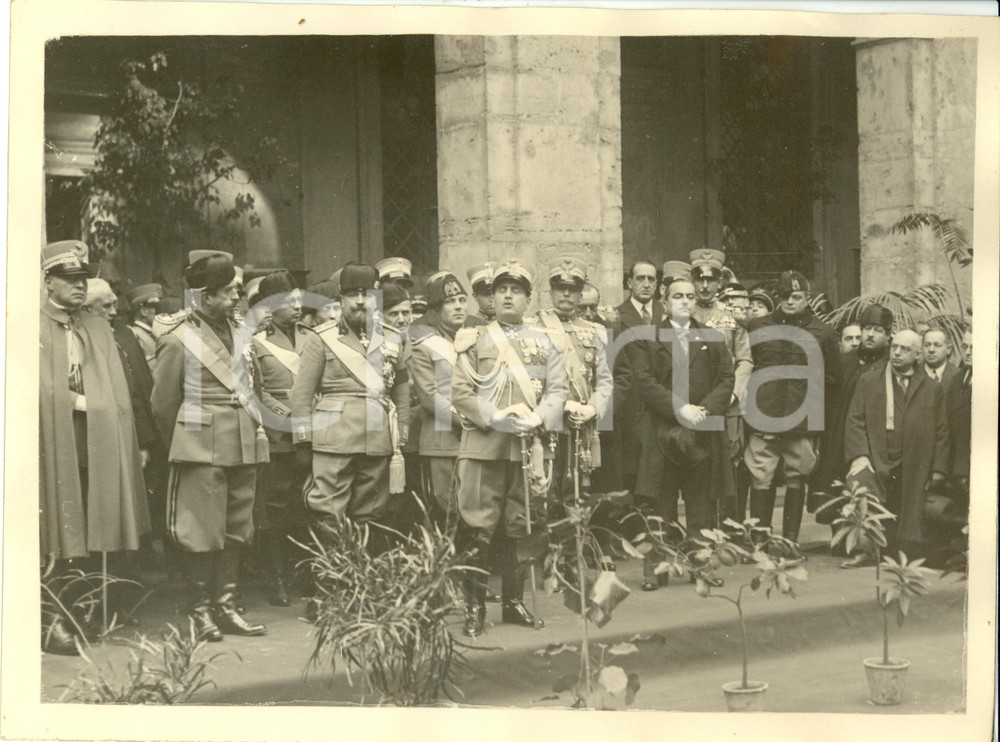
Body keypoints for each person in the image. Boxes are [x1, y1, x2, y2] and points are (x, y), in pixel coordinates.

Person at [151, 249, 269, 641]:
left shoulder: (240, 332)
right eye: (230, 291)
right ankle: (199, 611)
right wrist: (184, 444)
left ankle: (226, 604)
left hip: (241, 439)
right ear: (206, 297)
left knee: (237, 527)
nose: (237, 297)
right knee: (201, 532)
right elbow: (163, 405)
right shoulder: (177, 339)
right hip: (199, 445)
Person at [40, 241, 151, 655]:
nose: (78, 287)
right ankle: (52, 622)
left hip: (96, 439)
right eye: (69, 279)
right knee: (57, 524)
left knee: (91, 522)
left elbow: (118, 389)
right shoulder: (29, 325)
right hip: (53, 439)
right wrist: (77, 402)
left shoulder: (97, 327)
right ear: (48, 280)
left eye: (82, 279)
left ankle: (83, 611)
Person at [452, 260, 564, 637]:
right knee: (477, 528)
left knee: (523, 526)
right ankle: (474, 609)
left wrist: (538, 419)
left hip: (528, 448)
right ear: (492, 296)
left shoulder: (545, 340)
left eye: (515, 290)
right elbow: (460, 392)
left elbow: (557, 390)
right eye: (501, 290)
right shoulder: (473, 339)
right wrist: (497, 418)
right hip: (485, 446)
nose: (507, 296)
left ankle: (514, 603)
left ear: (528, 298)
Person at [290, 263, 410, 537]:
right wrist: (303, 440)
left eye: (366, 294)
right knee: (329, 511)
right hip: (334, 439)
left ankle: (362, 576)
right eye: (352, 294)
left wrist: (401, 434)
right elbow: (301, 393)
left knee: (371, 511)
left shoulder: (392, 338)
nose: (359, 301)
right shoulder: (321, 338)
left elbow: (401, 390)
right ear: (340, 299)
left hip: (378, 437)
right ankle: (332, 578)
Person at [632, 277, 735, 589]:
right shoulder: (648, 338)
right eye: (678, 296)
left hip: (700, 432)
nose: (685, 301)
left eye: (690, 296)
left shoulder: (712, 337)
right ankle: (656, 571)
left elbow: (726, 377)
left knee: (700, 503)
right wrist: (680, 409)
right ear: (665, 302)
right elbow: (644, 380)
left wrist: (702, 410)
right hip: (661, 432)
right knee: (659, 504)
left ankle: (701, 567)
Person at [744, 270, 840, 544]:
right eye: (784, 296)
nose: (790, 301)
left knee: (797, 477)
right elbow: (745, 370)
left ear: (807, 298)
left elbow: (834, 380)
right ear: (777, 297)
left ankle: (790, 542)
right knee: (760, 477)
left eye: (796, 296)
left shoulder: (824, 333)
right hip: (764, 419)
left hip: (803, 422)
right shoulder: (758, 327)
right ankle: (760, 541)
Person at [843, 329, 951, 564]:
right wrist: (859, 455)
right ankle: (867, 550)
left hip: (915, 460)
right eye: (895, 348)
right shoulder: (869, 380)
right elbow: (855, 421)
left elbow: (942, 432)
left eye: (905, 349)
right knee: (869, 496)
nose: (898, 353)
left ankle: (903, 553)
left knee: (909, 509)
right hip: (876, 456)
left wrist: (938, 469)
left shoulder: (932, 388)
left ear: (917, 355)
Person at [534, 255, 613, 564]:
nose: (566, 295)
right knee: (545, 492)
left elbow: (604, 381)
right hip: (547, 426)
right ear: (550, 292)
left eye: (572, 289)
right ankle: (546, 557)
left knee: (574, 492)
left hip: (580, 427)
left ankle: (570, 556)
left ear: (581, 294)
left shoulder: (594, 332)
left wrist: (592, 408)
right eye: (560, 288)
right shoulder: (534, 327)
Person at [85, 279, 166, 569]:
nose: (113, 311)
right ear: (86, 308)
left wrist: (146, 439)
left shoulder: (124, 333)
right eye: (105, 306)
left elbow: (140, 388)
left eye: (114, 304)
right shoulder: (84, 336)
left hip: (139, 432)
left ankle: (135, 573)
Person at [249, 270, 313, 607]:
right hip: (277, 435)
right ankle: (277, 578)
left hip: (312, 433)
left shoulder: (312, 336)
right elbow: (256, 391)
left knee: (306, 506)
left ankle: (306, 574)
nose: (298, 307)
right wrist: (287, 416)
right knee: (275, 508)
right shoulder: (256, 341)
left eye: (299, 300)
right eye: (289, 302)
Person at [688, 249, 752, 528]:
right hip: (692, 402)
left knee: (728, 464)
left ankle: (731, 529)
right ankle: (700, 530)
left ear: (719, 283)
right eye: (699, 280)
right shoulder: (681, 314)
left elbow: (745, 359)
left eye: (711, 281)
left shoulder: (731, 318)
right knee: (695, 464)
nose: (704, 287)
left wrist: (733, 394)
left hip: (725, 404)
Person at [810, 304, 894, 515]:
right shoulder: (843, 361)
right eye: (866, 329)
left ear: (888, 335)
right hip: (838, 440)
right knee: (836, 499)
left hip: (872, 443)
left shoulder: (891, 365)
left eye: (878, 330)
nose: (870, 335)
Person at [407, 271, 469, 527]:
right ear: (436, 309)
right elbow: (429, 396)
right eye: (450, 302)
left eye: (462, 300)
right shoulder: (424, 345)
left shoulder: (479, 341)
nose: (458, 306)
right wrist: (467, 421)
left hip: (478, 441)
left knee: (475, 507)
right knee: (445, 509)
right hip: (442, 437)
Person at [612, 260, 663, 497]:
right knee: (632, 475)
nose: (646, 284)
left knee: (662, 478)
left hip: (662, 409)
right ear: (629, 282)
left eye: (651, 279)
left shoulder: (667, 314)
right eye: (640, 278)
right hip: (631, 409)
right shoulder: (615, 317)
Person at [126, 283, 163, 370]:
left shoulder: (153, 332)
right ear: (143, 311)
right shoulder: (134, 335)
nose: (161, 312)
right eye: (157, 308)